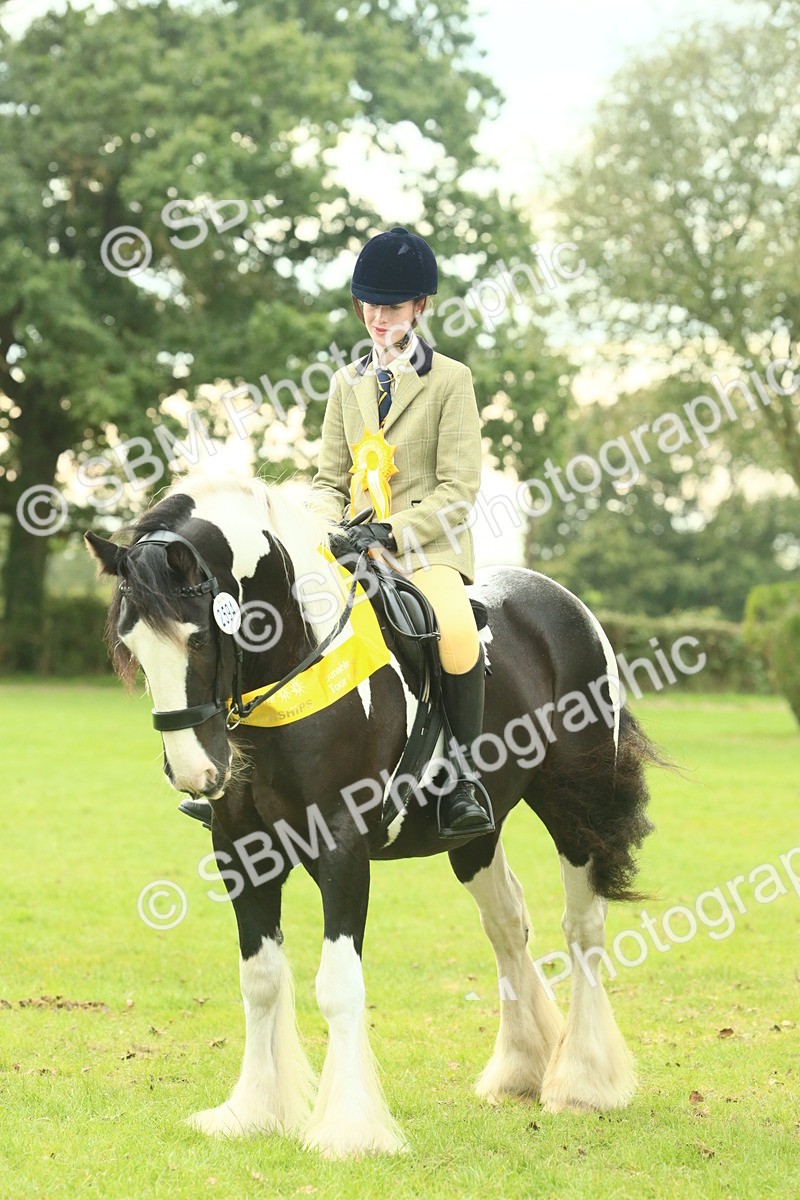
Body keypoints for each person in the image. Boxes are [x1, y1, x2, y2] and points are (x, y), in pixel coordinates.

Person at [311, 225, 494, 839]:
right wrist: (321, 527)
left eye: (390, 306)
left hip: (425, 549)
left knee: (457, 636)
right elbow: (329, 480)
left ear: (420, 307)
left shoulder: (451, 381)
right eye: (368, 304)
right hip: (351, 548)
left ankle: (464, 781)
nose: (376, 317)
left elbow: (458, 490)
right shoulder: (346, 383)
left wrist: (390, 532)